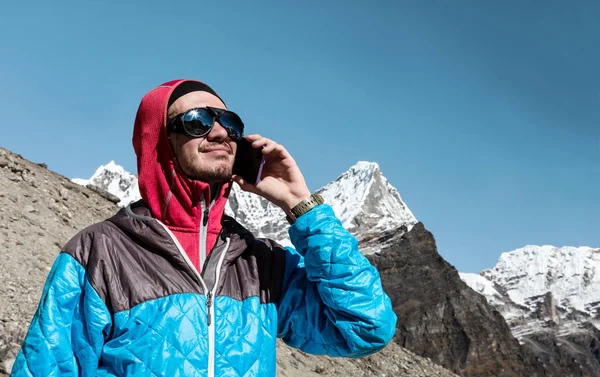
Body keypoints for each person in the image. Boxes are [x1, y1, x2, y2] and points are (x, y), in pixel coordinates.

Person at [10, 79, 397, 377]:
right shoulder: (99, 252)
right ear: (160, 142)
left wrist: (302, 205)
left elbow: (366, 327)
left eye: (229, 123)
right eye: (197, 122)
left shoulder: (261, 264)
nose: (219, 132)